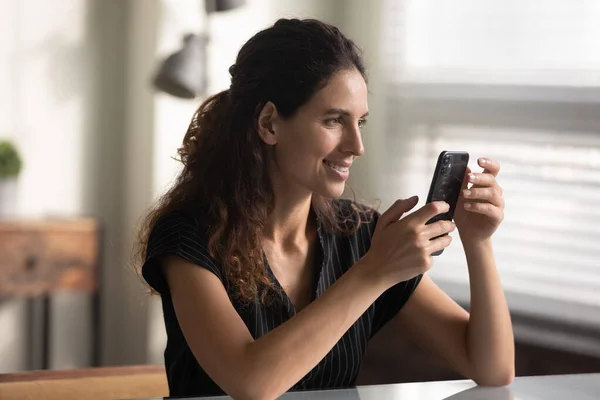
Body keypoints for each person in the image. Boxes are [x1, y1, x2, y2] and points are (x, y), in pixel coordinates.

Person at [135, 18, 514, 400]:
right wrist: (373, 273)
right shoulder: (188, 235)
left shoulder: (360, 233)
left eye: (360, 122)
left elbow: (491, 368)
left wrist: (478, 242)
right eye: (334, 120)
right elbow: (250, 382)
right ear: (269, 123)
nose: (356, 144)